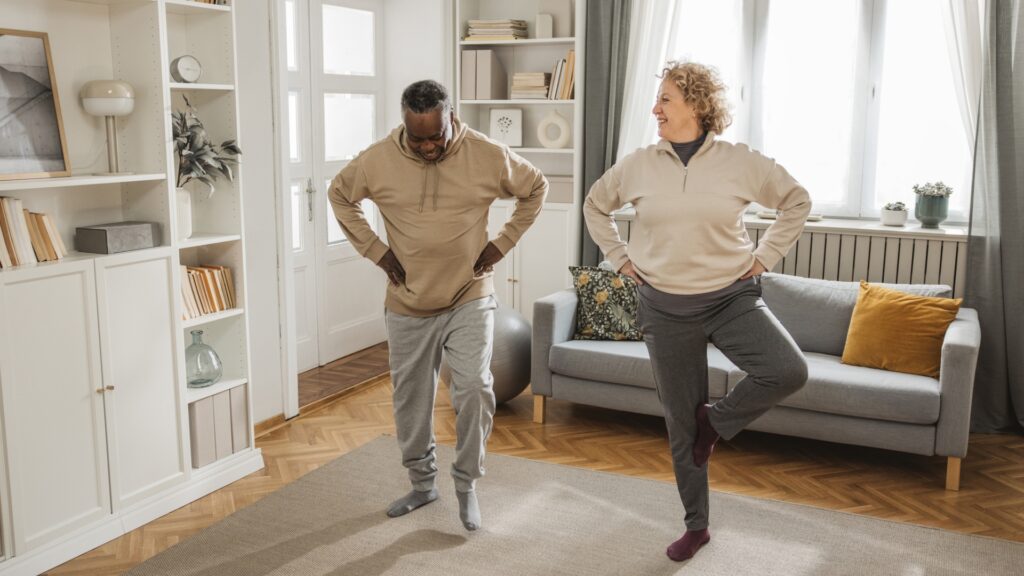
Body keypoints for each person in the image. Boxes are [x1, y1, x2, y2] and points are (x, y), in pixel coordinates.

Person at [583, 61, 811, 561]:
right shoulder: (638, 163)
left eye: (665, 99)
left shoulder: (739, 160)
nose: (655, 109)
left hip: (730, 298)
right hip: (663, 308)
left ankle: (718, 420)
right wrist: (620, 259)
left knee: (788, 370)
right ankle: (697, 525)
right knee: (679, 423)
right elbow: (594, 206)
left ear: (696, 104)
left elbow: (796, 200)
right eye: (657, 99)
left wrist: (763, 258)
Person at [328, 80, 547, 531]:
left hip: (469, 295)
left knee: (474, 387)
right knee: (412, 400)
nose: (428, 146)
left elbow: (536, 187)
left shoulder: (486, 154)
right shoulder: (377, 160)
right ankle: (423, 484)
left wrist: (501, 243)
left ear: (452, 117)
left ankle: (466, 484)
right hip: (408, 303)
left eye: (437, 136)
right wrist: (376, 251)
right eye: (418, 137)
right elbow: (339, 195)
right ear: (404, 123)